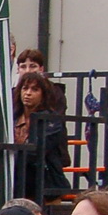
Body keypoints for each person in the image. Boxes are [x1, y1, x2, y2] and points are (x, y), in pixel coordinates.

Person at [13, 72, 71, 201]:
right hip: (15, 176)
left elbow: (35, 151)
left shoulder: (51, 120)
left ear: (43, 95)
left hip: (42, 179)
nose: (28, 93)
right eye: (25, 88)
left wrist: (9, 160)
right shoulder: (12, 118)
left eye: (34, 89)